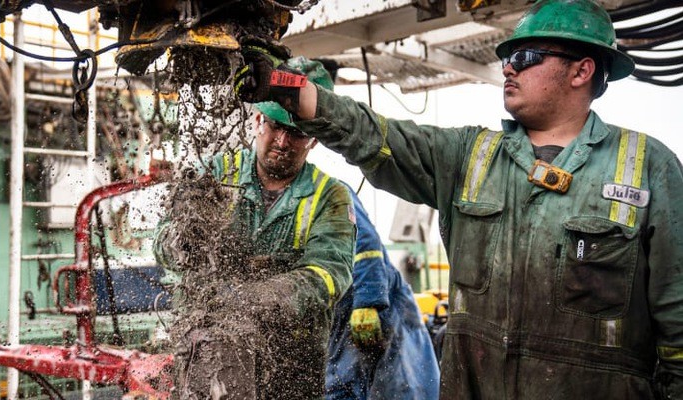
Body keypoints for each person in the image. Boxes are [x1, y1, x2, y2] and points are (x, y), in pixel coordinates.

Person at [234, 0, 683, 398]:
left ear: (581, 71)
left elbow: (677, 320)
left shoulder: (647, 168)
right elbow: (376, 135)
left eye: (525, 57)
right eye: (506, 57)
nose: (508, 67)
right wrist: (289, 89)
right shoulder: (469, 156)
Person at [154, 58, 356, 399]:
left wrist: (255, 298)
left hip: (291, 366)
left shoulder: (329, 196)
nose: (281, 140)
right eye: (274, 126)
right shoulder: (215, 173)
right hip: (207, 354)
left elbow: (329, 275)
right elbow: (162, 243)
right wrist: (180, 242)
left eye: (296, 132)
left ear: (314, 140)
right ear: (258, 119)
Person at [327, 181, 440, 400]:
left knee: (402, 385)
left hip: (374, 309)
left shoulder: (328, 191)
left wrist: (367, 302)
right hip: (342, 317)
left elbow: (365, 242)